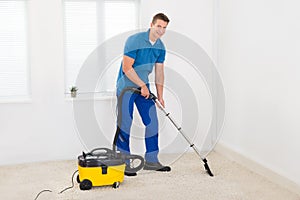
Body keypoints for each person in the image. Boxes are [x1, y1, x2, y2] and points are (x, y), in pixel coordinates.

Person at [115, 13, 171, 176]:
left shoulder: (160, 47)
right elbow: (127, 68)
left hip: (143, 88)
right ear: (151, 25)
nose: (161, 31)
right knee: (125, 123)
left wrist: (160, 96)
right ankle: (124, 163)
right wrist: (141, 85)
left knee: (152, 121)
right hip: (126, 86)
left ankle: (152, 161)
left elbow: (159, 73)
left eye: (164, 28)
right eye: (159, 26)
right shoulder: (134, 40)